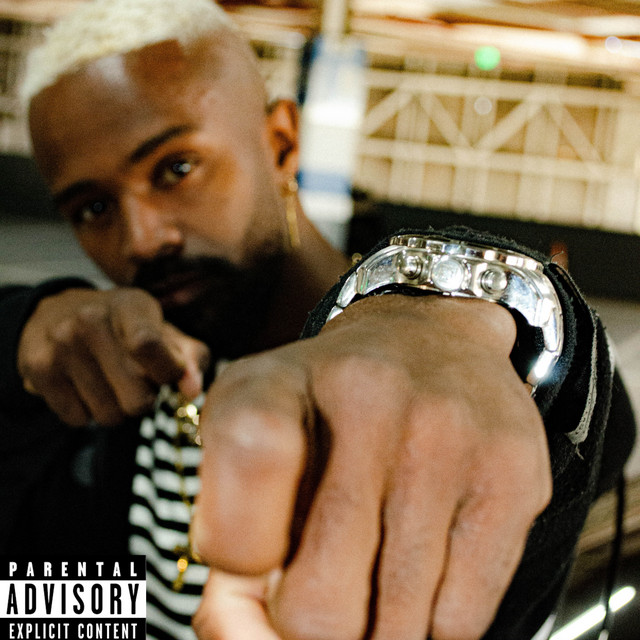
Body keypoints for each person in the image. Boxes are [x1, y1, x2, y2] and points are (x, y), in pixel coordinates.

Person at [0, 0, 635, 639]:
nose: (141, 238)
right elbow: (65, 608)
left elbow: (587, 423)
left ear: (281, 144)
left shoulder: (406, 364)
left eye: (177, 169)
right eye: (92, 209)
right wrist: (28, 319)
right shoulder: (111, 394)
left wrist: (453, 322)